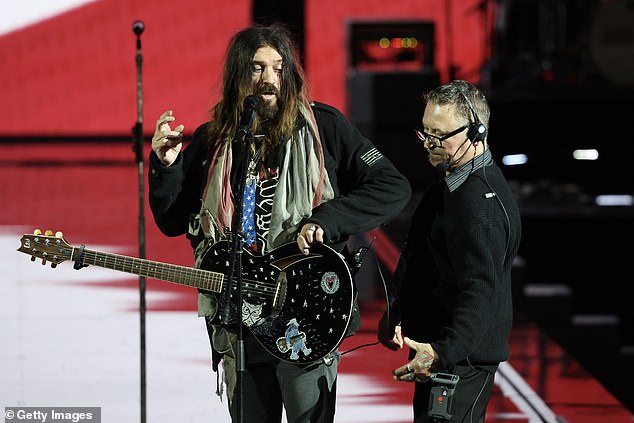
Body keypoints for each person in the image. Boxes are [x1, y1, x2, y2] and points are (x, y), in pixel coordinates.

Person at [148, 23, 411, 423]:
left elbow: (393, 186)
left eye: (278, 68)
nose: (269, 80)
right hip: (242, 321)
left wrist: (328, 218)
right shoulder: (215, 139)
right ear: (239, 76)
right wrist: (167, 167)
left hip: (307, 314)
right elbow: (172, 221)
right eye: (256, 69)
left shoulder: (325, 128)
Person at [377, 80, 522, 423]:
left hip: (459, 362)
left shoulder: (478, 205)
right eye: (425, 132)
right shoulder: (453, 181)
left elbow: (482, 290)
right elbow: (421, 251)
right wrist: (398, 308)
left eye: (439, 135)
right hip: (446, 353)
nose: (428, 143)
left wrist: (444, 353)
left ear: (476, 133)